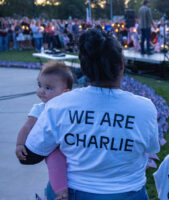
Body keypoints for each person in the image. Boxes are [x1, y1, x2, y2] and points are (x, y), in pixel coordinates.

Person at [19, 29, 159, 199]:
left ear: (84, 69)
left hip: (72, 192)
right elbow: (151, 148)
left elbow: (29, 156)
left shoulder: (58, 105)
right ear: (121, 65)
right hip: (127, 192)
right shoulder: (144, 108)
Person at [15, 61, 73, 200]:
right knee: (55, 160)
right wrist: (20, 144)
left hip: (69, 144)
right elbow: (27, 126)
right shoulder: (39, 108)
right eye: (40, 85)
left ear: (65, 92)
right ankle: (61, 192)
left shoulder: (69, 108)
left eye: (48, 88)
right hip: (51, 146)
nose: (41, 91)